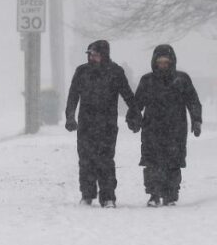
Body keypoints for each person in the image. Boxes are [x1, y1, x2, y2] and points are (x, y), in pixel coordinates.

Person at [65, 40, 136, 208]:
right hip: (86, 124)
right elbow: (73, 96)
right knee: (86, 160)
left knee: (106, 160)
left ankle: (108, 196)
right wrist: (70, 116)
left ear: (104, 55)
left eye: (96, 55)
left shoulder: (115, 72)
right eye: (90, 54)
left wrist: (134, 113)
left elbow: (127, 94)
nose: (92, 57)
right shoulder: (82, 72)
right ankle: (87, 194)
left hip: (107, 125)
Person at [130, 44, 202, 207]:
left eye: (166, 62)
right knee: (152, 162)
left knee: (173, 161)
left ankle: (171, 194)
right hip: (152, 128)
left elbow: (193, 101)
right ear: (154, 62)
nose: (162, 65)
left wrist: (196, 120)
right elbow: (137, 103)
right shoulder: (147, 80)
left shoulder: (181, 80)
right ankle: (154, 194)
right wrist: (134, 119)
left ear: (171, 62)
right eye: (160, 62)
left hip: (175, 128)